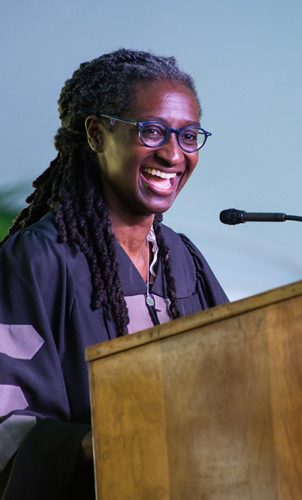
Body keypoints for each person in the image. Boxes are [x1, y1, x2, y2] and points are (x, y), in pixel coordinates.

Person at [0, 49, 228, 499]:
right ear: (96, 134)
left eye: (188, 136)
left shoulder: (185, 262)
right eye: (152, 131)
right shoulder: (40, 260)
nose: (173, 153)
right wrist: (111, 441)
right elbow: (7, 422)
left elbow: (240, 376)